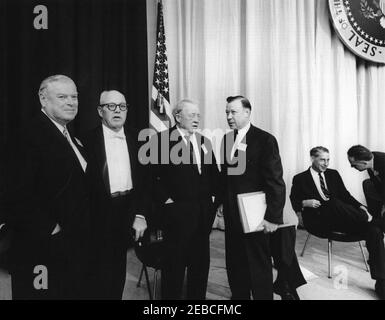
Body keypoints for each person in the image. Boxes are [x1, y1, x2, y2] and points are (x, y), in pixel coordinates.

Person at [4, 75, 91, 299]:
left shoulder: (69, 134)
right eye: (62, 97)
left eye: (75, 97)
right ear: (43, 99)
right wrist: (51, 229)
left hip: (71, 246)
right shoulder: (28, 136)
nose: (71, 102)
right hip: (41, 248)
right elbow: (13, 194)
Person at [219, 95, 305, 300]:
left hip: (256, 216)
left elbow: (276, 182)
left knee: (258, 264)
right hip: (233, 216)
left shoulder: (265, 140)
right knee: (235, 262)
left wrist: (273, 218)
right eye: (227, 112)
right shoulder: (227, 139)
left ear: (247, 113)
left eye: (233, 112)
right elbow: (226, 177)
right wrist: (222, 202)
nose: (229, 116)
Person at [290, 146, 385, 299]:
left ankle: (381, 282)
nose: (326, 163)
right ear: (312, 158)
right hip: (319, 220)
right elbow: (293, 202)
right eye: (322, 159)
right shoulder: (300, 178)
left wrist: (362, 207)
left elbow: (346, 196)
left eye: (328, 160)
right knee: (333, 202)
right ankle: (374, 221)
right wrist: (304, 203)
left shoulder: (333, 174)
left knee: (374, 230)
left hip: (341, 217)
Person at [150, 99, 220, 299]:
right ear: (178, 116)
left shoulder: (204, 142)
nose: (197, 119)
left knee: (200, 268)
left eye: (198, 115)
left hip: (202, 217)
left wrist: (214, 205)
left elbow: (213, 176)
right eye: (192, 115)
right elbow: (152, 179)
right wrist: (168, 203)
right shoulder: (160, 141)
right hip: (176, 218)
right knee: (174, 268)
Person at [82, 90, 147, 299]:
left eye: (122, 106)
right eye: (111, 106)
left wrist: (140, 214)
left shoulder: (139, 139)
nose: (117, 110)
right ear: (100, 111)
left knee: (117, 274)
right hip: (97, 215)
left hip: (128, 209)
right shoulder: (85, 140)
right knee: (95, 275)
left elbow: (146, 183)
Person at [347, 145, 385, 231]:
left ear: (364, 162)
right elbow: (379, 186)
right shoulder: (371, 160)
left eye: (354, 165)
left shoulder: (383, 162)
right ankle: (374, 219)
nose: (352, 167)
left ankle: (375, 222)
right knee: (367, 184)